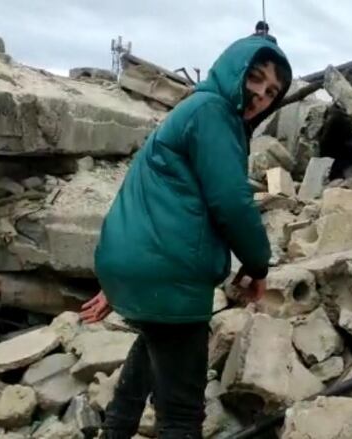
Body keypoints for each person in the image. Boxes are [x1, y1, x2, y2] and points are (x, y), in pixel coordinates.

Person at [79, 35, 292, 439]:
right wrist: (257, 262)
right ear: (233, 71)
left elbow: (146, 197)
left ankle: (116, 431)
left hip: (143, 263)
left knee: (158, 339)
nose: (261, 95)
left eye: (272, 92)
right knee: (181, 413)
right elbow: (231, 201)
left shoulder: (192, 110)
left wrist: (121, 281)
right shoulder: (214, 112)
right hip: (166, 268)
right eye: (255, 78)